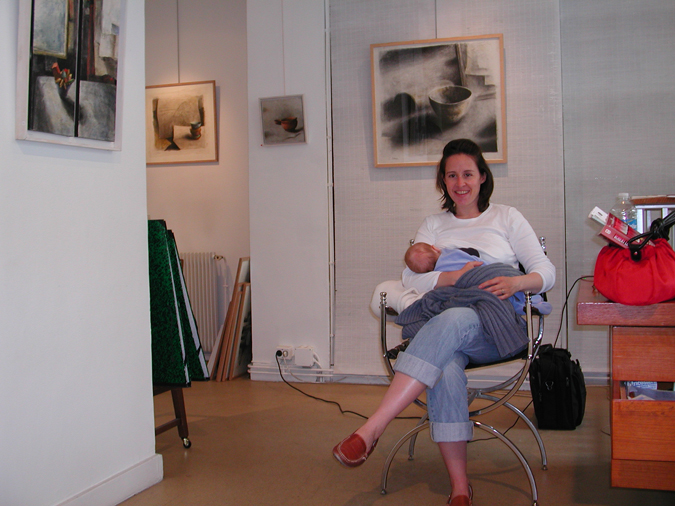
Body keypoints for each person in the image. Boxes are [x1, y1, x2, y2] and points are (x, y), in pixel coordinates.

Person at [332, 138, 555, 506]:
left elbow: (545, 272)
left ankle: (373, 427)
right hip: (448, 327)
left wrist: (515, 282)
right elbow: (411, 278)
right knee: (446, 366)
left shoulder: (506, 217)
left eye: (467, 174)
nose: (460, 183)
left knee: (454, 318)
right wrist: (455, 278)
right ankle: (460, 489)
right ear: (443, 181)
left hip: (495, 327)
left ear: (482, 177)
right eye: (452, 175)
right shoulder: (434, 225)